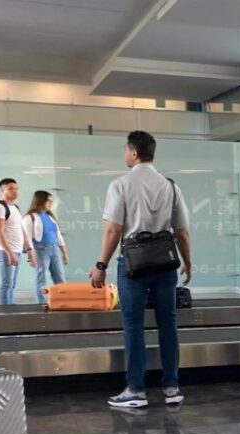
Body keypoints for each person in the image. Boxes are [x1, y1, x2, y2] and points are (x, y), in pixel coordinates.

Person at [91, 130, 192, 410]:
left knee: (133, 325)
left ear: (134, 152)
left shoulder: (120, 185)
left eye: (126, 150)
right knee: (168, 323)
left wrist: (101, 265)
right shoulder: (171, 187)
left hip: (133, 264)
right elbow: (181, 232)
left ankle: (136, 389)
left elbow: (113, 230)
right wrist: (187, 261)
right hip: (165, 263)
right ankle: (171, 387)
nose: (125, 154)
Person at [0, 178, 33, 305]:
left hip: (17, 250)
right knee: (7, 284)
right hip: (6, 250)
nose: (15, 191)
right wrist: (9, 253)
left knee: (12, 284)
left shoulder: (15, 207)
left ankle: (9, 308)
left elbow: (21, 229)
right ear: (2, 191)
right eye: (10, 189)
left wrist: (29, 249)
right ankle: (5, 311)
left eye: (16, 188)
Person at [22, 190, 68, 303]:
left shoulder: (50, 217)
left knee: (60, 278)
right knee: (41, 278)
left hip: (54, 249)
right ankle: (41, 303)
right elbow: (27, 238)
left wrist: (64, 252)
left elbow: (58, 236)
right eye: (48, 201)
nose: (51, 203)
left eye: (52, 201)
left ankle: (63, 302)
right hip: (40, 250)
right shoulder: (30, 217)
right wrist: (30, 257)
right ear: (40, 201)